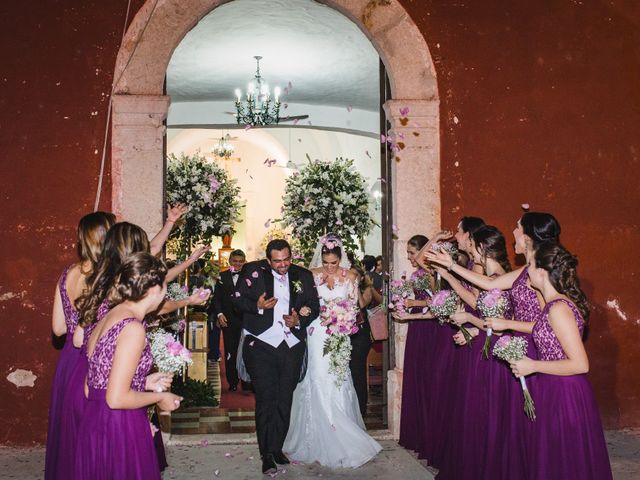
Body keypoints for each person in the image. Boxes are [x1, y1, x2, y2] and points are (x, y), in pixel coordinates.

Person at [73, 252, 183, 479]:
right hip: (120, 426)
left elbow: (92, 386)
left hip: (93, 423)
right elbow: (116, 399)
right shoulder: (133, 328)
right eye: (164, 285)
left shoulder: (107, 316)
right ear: (154, 289)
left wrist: (143, 382)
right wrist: (161, 398)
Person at [509, 243, 612, 479]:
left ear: (542, 272)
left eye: (531, 265)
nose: (527, 270)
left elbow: (580, 364)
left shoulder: (558, 308)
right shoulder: (551, 304)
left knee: (565, 460)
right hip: (551, 387)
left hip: (565, 392)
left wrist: (532, 365)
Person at [283, 234, 382, 468]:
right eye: (326, 262)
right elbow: (303, 302)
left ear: (340, 260)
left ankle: (340, 429)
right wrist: (306, 310)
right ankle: (314, 436)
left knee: (338, 377)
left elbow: (354, 306)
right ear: (321, 257)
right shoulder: (311, 276)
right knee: (316, 377)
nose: (329, 267)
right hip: (316, 333)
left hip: (339, 333)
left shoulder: (349, 278)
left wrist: (343, 319)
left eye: (333, 263)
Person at [235, 239, 320, 475]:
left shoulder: (302, 275)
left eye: (286, 260)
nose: (283, 265)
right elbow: (238, 300)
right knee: (265, 399)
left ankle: (277, 447)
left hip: (291, 345)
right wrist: (259, 305)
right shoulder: (253, 271)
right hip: (261, 344)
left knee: (285, 399)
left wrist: (299, 321)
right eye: (277, 261)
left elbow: (314, 305)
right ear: (268, 259)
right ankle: (266, 455)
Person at [45, 211, 115, 480]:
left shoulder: (67, 274)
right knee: (96, 440)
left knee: (70, 439)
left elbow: (58, 329)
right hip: (96, 361)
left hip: (68, 363)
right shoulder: (107, 277)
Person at [212, 249, 248, 391]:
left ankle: (246, 382)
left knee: (246, 352)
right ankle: (232, 382)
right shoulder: (222, 276)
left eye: (240, 262)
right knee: (230, 351)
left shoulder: (250, 277)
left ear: (244, 262)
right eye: (235, 261)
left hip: (246, 320)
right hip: (229, 320)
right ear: (230, 261)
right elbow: (217, 299)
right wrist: (220, 314)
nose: (238, 264)